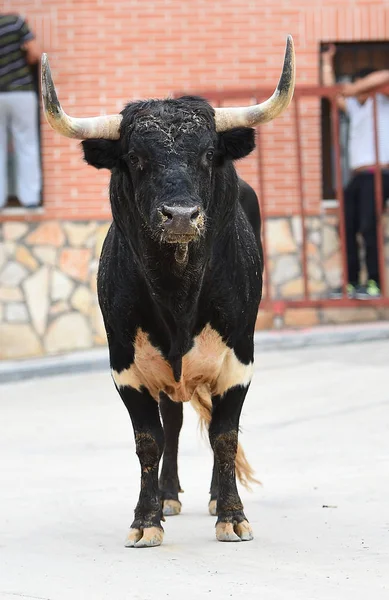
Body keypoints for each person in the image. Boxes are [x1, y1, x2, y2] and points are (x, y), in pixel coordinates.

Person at [322, 44, 389, 299]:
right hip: (359, 177)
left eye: (361, 86)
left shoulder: (382, 101)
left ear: (367, 86)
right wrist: (327, 63)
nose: (354, 92)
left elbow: (386, 75)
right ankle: (350, 284)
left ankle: (374, 284)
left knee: (368, 227)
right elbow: (331, 94)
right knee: (346, 228)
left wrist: (352, 88)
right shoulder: (354, 109)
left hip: (379, 175)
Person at [0, 13, 41, 208]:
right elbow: (35, 53)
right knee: (27, 144)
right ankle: (30, 198)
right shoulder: (15, 22)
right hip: (21, 92)